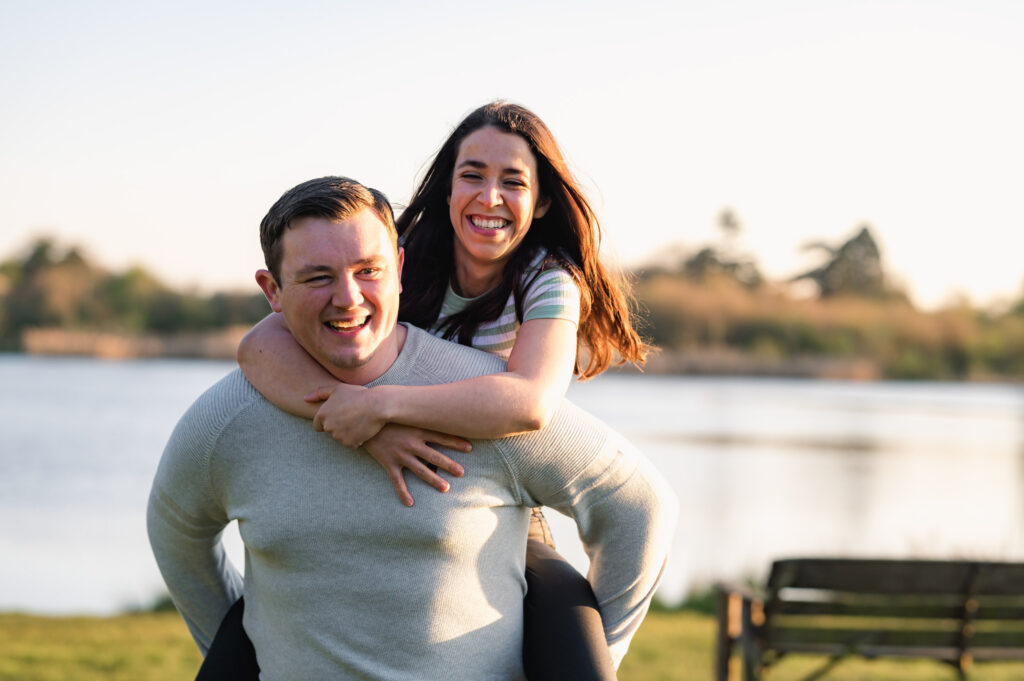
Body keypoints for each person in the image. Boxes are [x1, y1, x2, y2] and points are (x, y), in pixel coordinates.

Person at [147, 175, 677, 681]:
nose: (348, 297)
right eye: (317, 277)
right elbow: (176, 532)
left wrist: (593, 658)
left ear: (399, 267)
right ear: (273, 290)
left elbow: (639, 507)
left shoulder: (483, 398)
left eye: (368, 270)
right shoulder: (228, 418)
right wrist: (249, 647)